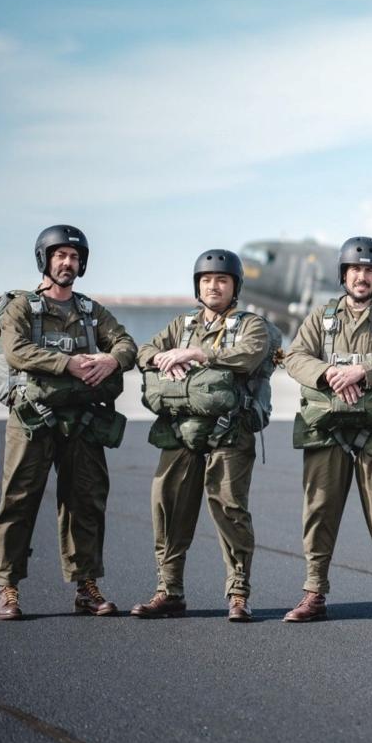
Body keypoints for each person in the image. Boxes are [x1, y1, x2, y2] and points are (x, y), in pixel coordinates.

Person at [0, 224, 136, 620]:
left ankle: (86, 586)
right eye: (60, 256)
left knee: (85, 503)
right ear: (45, 259)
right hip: (32, 420)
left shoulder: (91, 311)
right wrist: (68, 363)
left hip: (82, 422)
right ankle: (8, 587)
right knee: (19, 501)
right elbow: (17, 350)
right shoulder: (20, 306)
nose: (67, 263)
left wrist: (110, 359)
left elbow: (126, 344)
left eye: (74, 257)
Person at [131, 250, 272, 622]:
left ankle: (239, 592)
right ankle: (169, 590)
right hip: (181, 430)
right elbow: (144, 350)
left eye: (222, 280)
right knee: (167, 506)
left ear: (234, 286)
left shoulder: (251, 325)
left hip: (230, 431)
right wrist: (162, 359)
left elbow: (250, 355)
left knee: (230, 509)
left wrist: (198, 353)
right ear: (198, 286)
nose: (214, 286)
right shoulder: (182, 324)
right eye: (207, 280)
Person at [283, 237, 372, 624]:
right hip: (328, 430)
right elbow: (295, 357)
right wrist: (328, 374)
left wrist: (363, 372)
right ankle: (313, 593)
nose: (362, 276)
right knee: (319, 511)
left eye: (369, 270)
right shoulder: (321, 317)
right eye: (355, 269)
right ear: (344, 274)